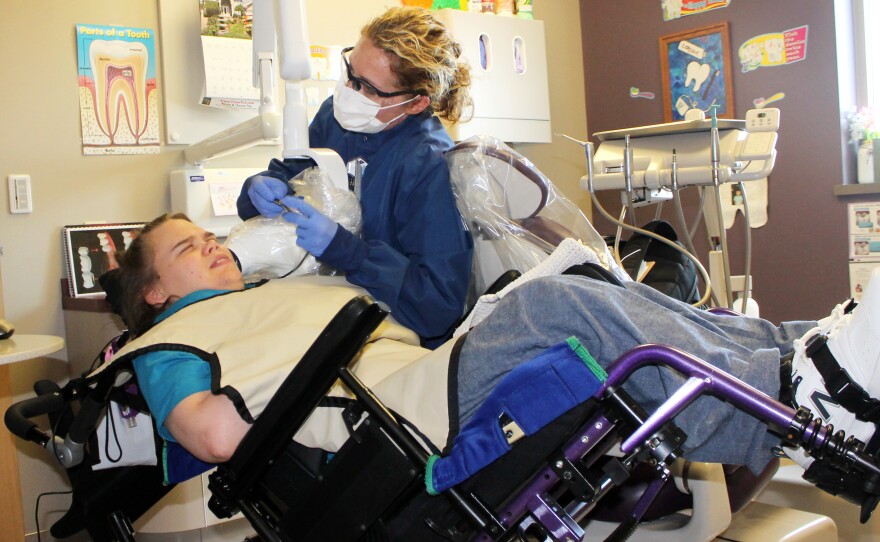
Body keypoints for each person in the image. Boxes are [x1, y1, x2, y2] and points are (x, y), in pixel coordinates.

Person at [105, 214, 880, 484]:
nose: (212, 245)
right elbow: (208, 433)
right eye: (188, 247)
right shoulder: (171, 342)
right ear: (153, 293)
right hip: (387, 428)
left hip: (420, 382)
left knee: (590, 279)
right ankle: (804, 411)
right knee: (557, 303)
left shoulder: (272, 295)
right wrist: (299, 443)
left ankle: (801, 361)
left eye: (209, 235)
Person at [236, 7, 474, 348]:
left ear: (415, 104)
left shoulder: (427, 166)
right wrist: (257, 189)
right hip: (328, 308)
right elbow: (290, 174)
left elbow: (438, 306)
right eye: (350, 72)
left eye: (367, 88)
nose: (348, 90)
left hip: (394, 342)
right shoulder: (334, 119)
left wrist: (349, 252)